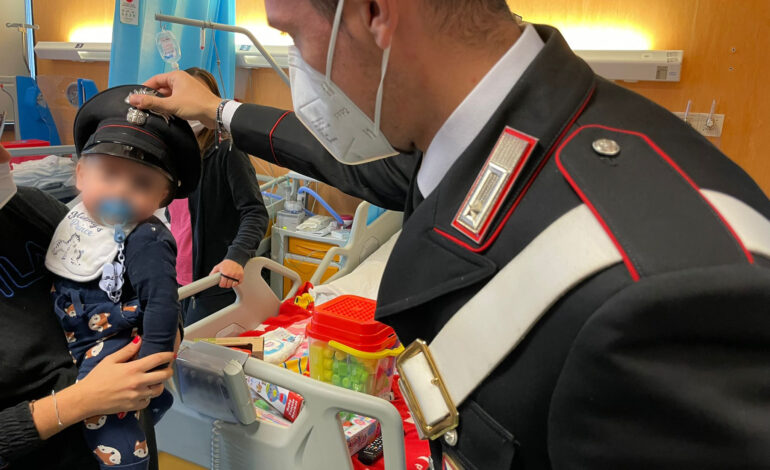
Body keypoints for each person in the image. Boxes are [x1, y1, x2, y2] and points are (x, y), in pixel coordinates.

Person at [130, 0, 770, 468]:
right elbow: (360, 166)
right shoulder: (492, 139)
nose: (299, 64)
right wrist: (219, 110)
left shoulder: (669, 284)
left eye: (295, 36)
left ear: (376, 12)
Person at [44, 85, 199, 470]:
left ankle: (128, 462)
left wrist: (151, 369)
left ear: (163, 198)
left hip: (112, 345)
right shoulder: (73, 218)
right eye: (109, 174)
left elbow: (163, 301)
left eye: (141, 184)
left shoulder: (145, 236)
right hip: (77, 337)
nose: (121, 190)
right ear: (80, 174)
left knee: (114, 437)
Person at [0, 142, 176, 470]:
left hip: (126, 401)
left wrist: (162, 323)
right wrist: (80, 402)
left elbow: (140, 284)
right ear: (80, 174)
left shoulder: (33, 209)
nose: (7, 156)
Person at [169, 67, 269, 326]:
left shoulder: (226, 150)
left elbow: (255, 212)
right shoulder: (172, 156)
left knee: (201, 356)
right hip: (177, 277)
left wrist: (235, 257)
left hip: (213, 280)